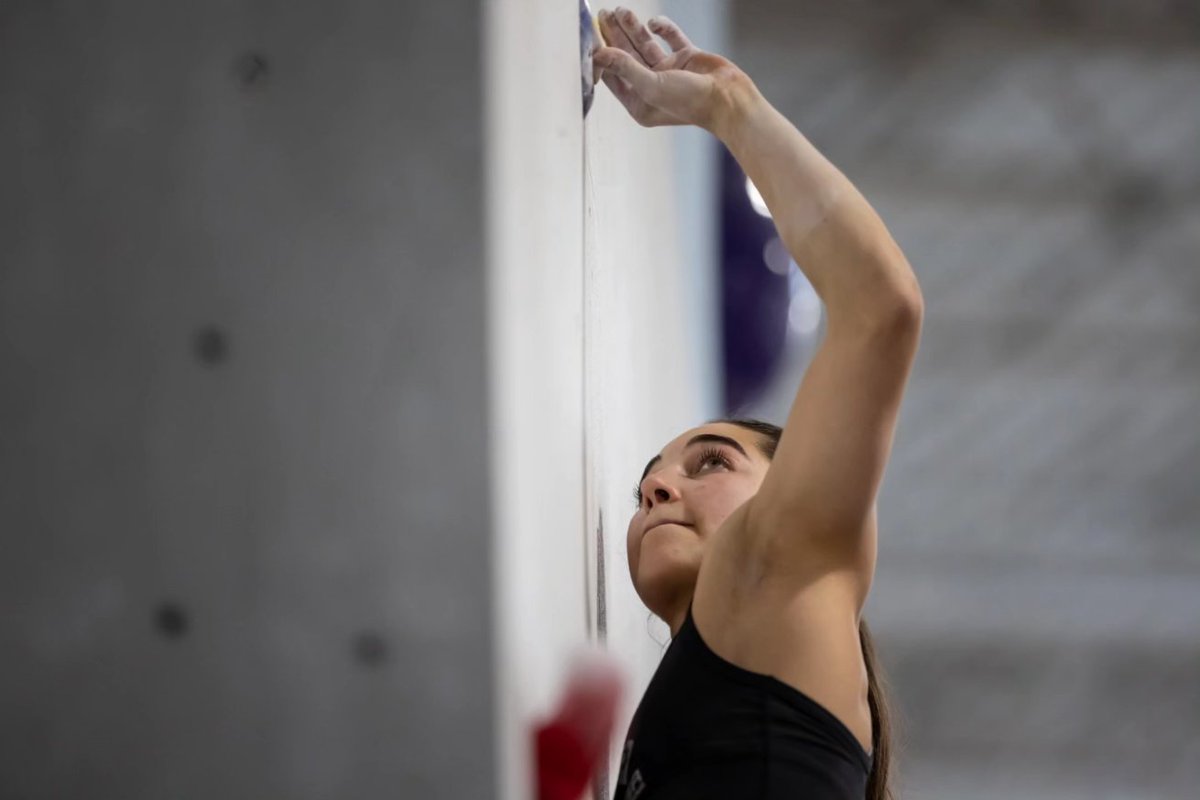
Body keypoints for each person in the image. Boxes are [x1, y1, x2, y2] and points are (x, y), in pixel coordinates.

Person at [593, 8, 924, 800]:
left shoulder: (775, 572)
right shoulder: (716, 676)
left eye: (710, 461)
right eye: (653, 476)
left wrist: (729, 103)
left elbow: (882, 308)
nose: (655, 488)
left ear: (799, 484)